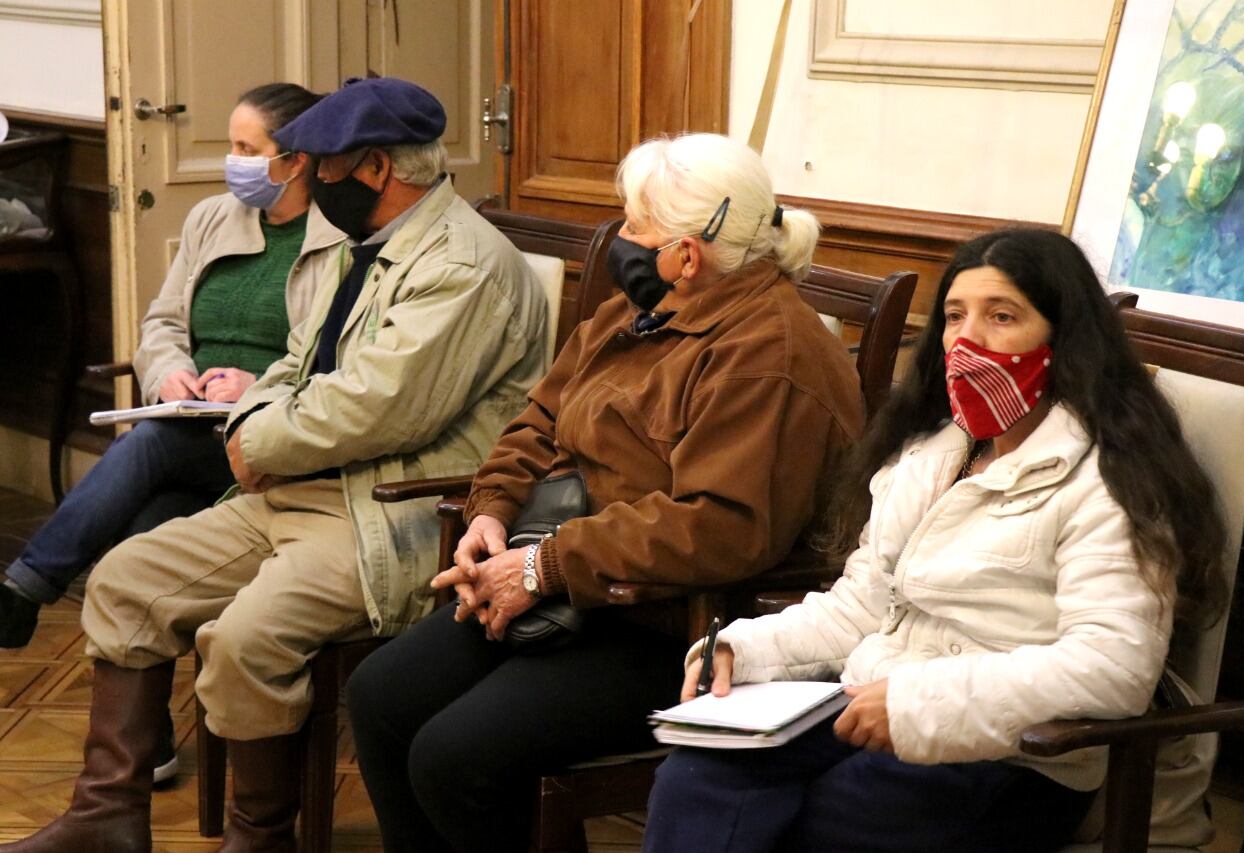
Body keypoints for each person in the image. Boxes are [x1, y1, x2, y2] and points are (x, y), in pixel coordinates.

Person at [0, 76, 548, 853]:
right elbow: (296, 363)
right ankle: (106, 817)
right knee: (127, 582)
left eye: (322, 164)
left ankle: (260, 840)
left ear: (375, 170)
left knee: (244, 638)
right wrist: (258, 431)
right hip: (298, 489)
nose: (309, 178)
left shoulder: (462, 265)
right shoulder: (361, 245)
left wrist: (250, 442)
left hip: (386, 512)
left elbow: (374, 407)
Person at [344, 133, 866, 853]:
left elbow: (720, 527)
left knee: (456, 754)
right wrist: (490, 512)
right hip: (568, 586)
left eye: (633, 226)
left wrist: (544, 566)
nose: (618, 240)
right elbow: (539, 419)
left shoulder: (770, 353)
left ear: (687, 253)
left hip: (675, 628)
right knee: (380, 696)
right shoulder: (636, 310)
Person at [642, 227, 1230, 853]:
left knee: (821, 821)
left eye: (1001, 317)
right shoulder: (931, 452)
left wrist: (914, 704)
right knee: (697, 777)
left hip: (1017, 755)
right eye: (954, 317)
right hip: (869, 703)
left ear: (1063, 338)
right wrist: (740, 648)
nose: (968, 340)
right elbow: (863, 604)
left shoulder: (1110, 477)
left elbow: (1112, 669)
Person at [0, 82, 340, 668]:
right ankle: (144, 740)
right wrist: (170, 373)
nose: (231, 161)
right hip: (191, 422)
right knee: (145, 529)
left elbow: (334, 361)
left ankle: (25, 587)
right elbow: (161, 322)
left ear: (295, 160)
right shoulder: (214, 217)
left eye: (245, 147)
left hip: (269, 434)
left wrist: (253, 389)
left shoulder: (339, 241)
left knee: (150, 446)